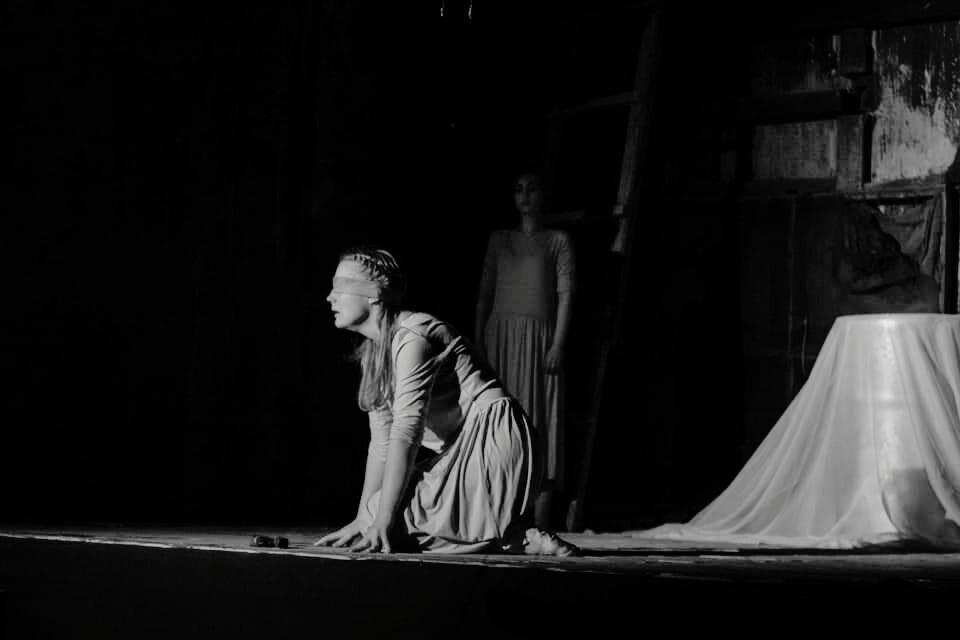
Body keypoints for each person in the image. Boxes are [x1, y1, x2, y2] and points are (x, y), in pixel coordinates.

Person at [314, 246, 578, 555]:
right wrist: (364, 518)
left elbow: (406, 433)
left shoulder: (414, 336)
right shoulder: (374, 355)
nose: (330, 297)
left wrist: (382, 519)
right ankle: (507, 535)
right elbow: (382, 444)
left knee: (389, 520)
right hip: (460, 454)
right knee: (376, 513)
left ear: (374, 294)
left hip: (495, 446)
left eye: (340, 287)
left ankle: (513, 538)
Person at [474, 170, 576, 528]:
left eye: (532, 188)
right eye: (518, 189)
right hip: (502, 339)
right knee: (502, 423)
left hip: (539, 342)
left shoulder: (556, 242)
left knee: (542, 421)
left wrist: (559, 342)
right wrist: (479, 341)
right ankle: (500, 515)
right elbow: (485, 295)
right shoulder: (500, 239)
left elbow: (565, 296)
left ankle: (540, 520)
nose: (525, 196)